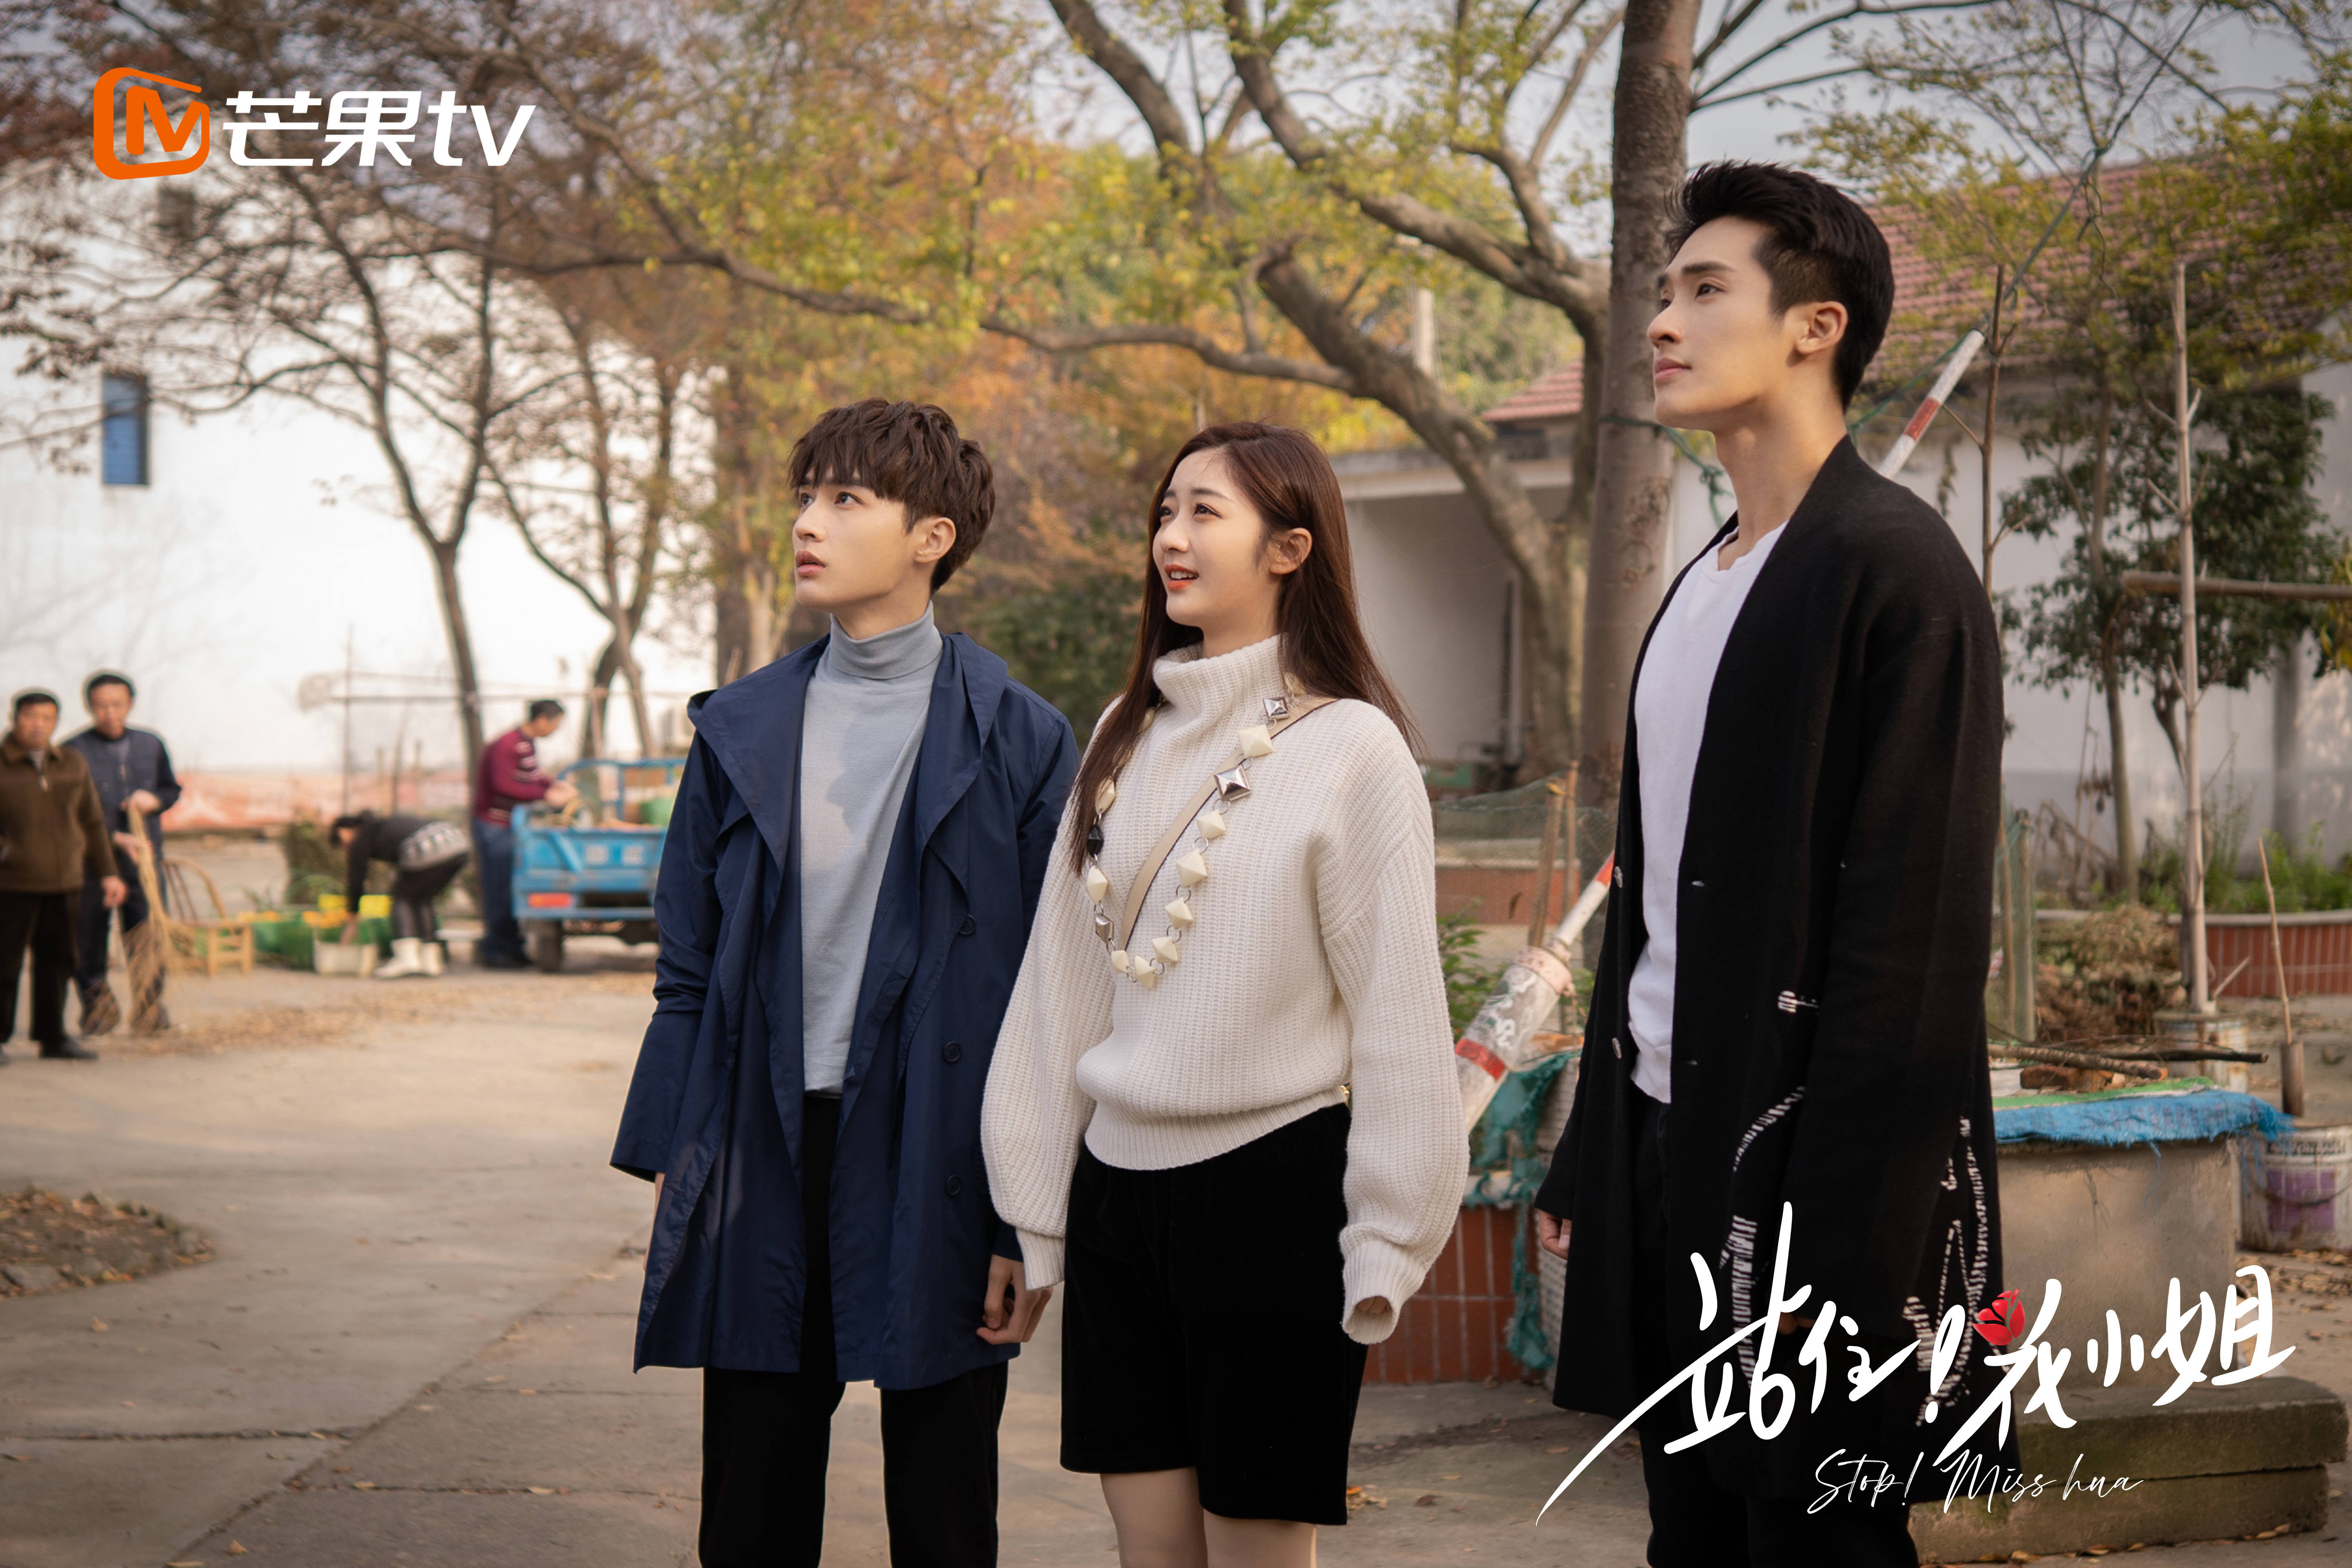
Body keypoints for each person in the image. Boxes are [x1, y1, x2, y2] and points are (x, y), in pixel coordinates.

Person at [1530, 163, 2009, 1566]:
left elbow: (1912, 950)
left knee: (1821, 1540)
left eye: (1703, 289)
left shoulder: (1896, 571)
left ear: (1816, 325)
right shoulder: (1703, 583)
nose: (1660, 322)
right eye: (1662, 292)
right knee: (1691, 1537)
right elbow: (1652, 904)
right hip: (1666, 1139)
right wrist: (1591, 1152)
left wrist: (1844, 1232)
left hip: (1813, 1175)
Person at [981, 422, 1466, 1566]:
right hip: (1118, 1201)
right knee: (1149, 1551)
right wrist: (1036, 1212)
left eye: (1205, 512)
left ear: (1290, 548)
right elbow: (1059, 986)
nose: (1171, 537)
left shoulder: (1353, 750)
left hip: (1273, 1198)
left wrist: (1388, 1241)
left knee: (1254, 1550)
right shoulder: (1123, 733)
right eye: (1166, 511)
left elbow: (1399, 1017)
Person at [612, 399, 1078, 1568]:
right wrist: (676, 1151)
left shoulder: (1021, 739)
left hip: (942, 1147)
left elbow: (1051, 994)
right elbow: (687, 964)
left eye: (845, 499)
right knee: (753, 1501)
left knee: (944, 1503)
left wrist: (1025, 1215)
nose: (807, 523)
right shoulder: (740, 727)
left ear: (931, 538)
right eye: (805, 496)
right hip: (764, 1143)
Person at [0, 690, 124, 1062]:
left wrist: (109, 873)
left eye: (47, 718)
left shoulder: (71, 762)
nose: (38, 725)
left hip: (66, 881)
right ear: (14, 719)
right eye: (30, 716)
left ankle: (53, 1036)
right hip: (11, 883)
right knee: (4, 963)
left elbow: (92, 820)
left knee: (59, 961)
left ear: (56, 722)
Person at [63, 671, 182, 1034]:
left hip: (142, 860)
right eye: (101, 706)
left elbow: (171, 789)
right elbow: (67, 812)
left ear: (130, 704)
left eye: (117, 705)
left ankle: (149, 1008)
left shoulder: (151, 744)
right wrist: (113, 838)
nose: (110, 713)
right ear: (89, 706)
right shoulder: (73, 751)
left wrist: (155, 800)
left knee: (147, 932)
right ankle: (99, 1009)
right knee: (87, 935)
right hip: (91, 864)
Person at [471, 699, 577, 969]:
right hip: (494, 825)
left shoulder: (525, 745)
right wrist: (546, 796)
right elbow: (504, 786)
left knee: (511, 888)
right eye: (555, 724)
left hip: (510, 827)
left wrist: (555, 784)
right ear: (542, 720)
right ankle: (497, 951)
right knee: (499, 889)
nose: (555, 730)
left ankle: (513, 948)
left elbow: (532, 776)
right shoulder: (508, 745)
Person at [330, 811, 471, 979]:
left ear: (343, 832)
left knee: (401, 898)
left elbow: (356, 880)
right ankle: (431, 961)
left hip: (429, 845)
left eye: (341, 844)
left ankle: (406, 958)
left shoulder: (362, 836)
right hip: (456, 843)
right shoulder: (381, 826)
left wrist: (352, 915)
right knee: (422, 899)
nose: (345, 849)